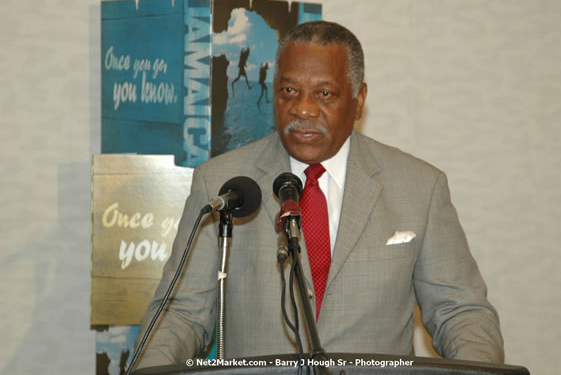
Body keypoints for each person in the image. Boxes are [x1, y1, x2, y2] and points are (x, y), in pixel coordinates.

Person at [134, 21, 504, 369]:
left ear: (359, 100)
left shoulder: (419, 187)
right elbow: (180, 315)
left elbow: (460, 313)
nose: (303, 109)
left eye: (325, 94)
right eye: (289, 90)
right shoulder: (222, 182)